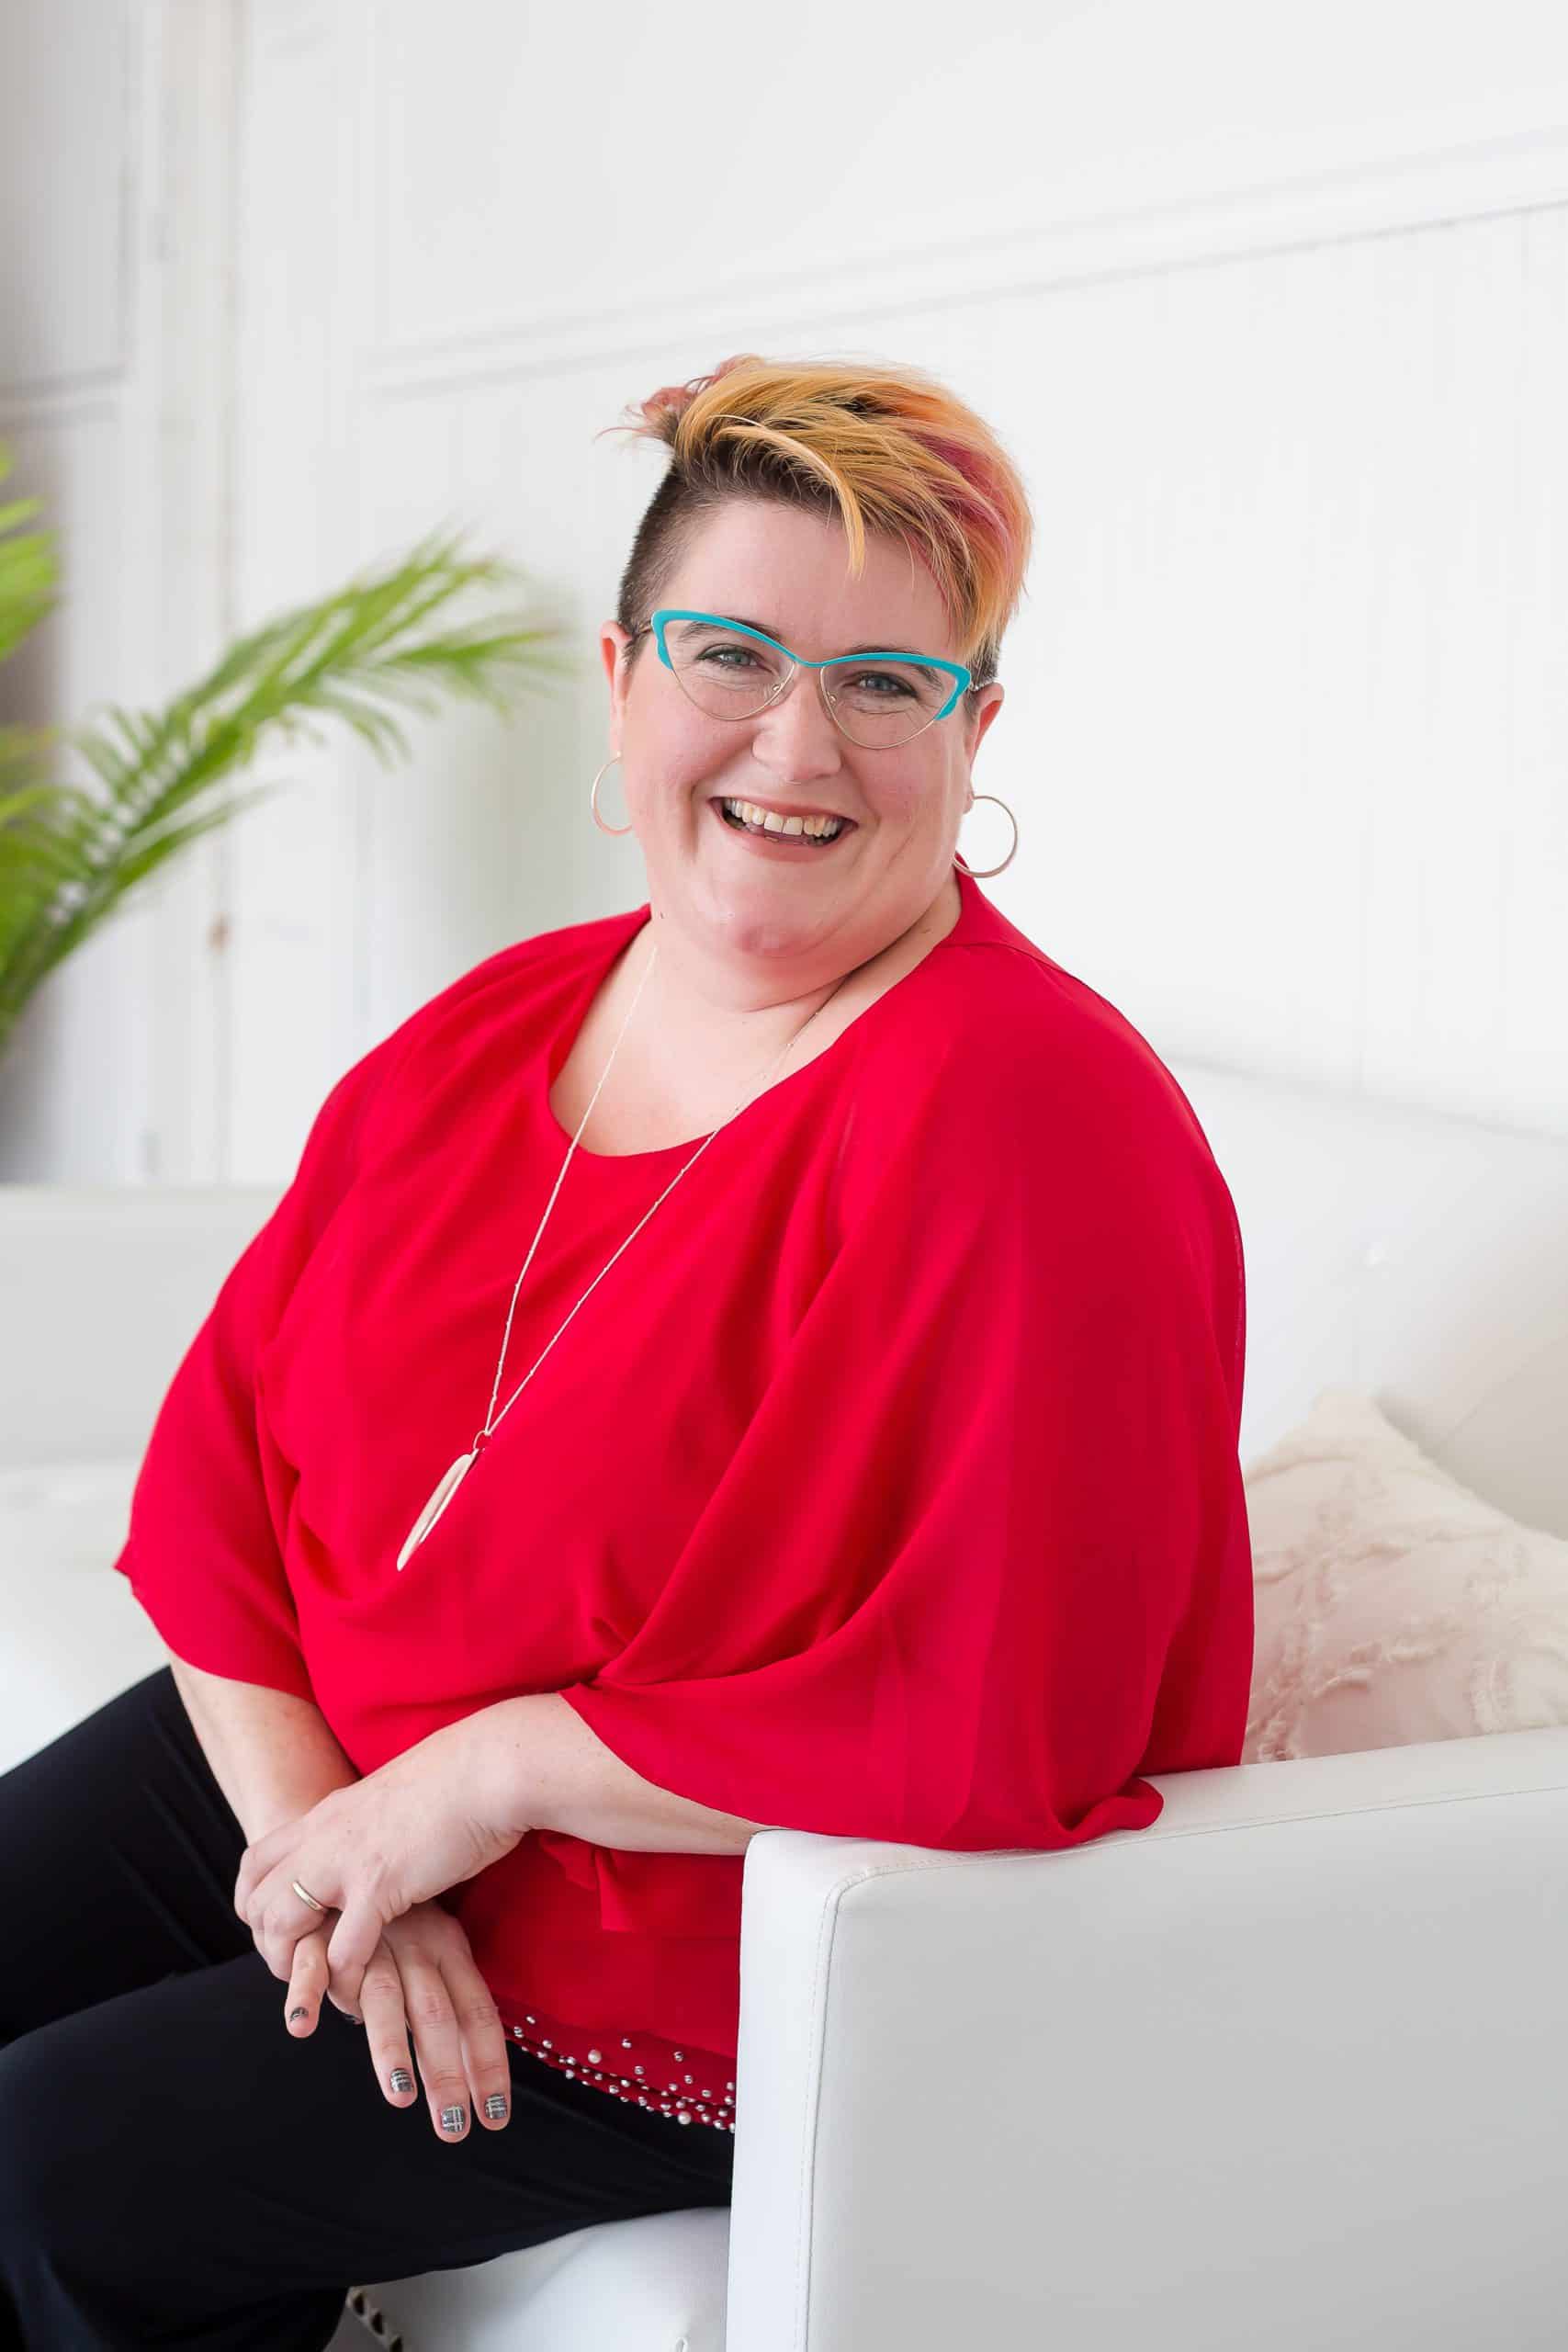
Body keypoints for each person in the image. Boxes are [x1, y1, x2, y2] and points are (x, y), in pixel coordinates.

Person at [0, 353, 1254, 2346]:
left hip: (678, 1937)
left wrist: (490, 1777)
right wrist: (339, 1847)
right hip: (332, 1769)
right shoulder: (496, 1024)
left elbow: (1008, 1707)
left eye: (884, 682)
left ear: (974, 730)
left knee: (54, 2165)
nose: (795, 741)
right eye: (728, 653)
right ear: (620, 679)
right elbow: (222, 1470)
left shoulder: (1033, 1115)